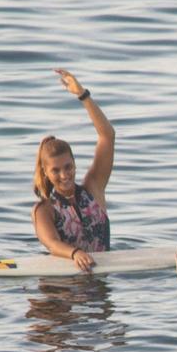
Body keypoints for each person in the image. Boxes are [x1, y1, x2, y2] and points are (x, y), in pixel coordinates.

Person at [31, 68, 117, 272]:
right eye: (56, 170)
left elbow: (107, 137)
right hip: (62, 289)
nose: (64, 175)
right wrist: (74, 253)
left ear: (75, 164)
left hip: (99, 284)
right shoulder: (44, 210)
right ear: (45, 173)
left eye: (68, 167)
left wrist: (83, 95)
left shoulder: (93, 190)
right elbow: (51, 243)